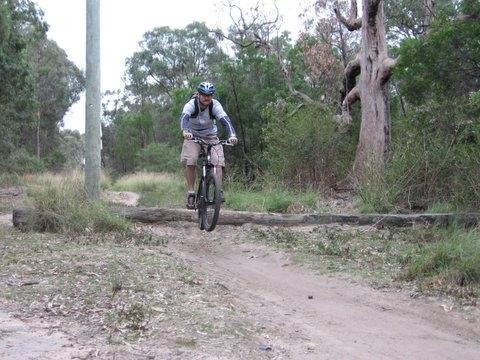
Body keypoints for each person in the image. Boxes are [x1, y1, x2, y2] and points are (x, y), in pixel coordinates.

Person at [179, 81, 237, 209]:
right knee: (191, 160)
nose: (207, 97)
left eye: (209, 95)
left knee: (218, 162)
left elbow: (225, 120)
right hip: (192, 135)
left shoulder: (215, 105)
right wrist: (185, 131)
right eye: (204, 95)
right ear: (199, 94)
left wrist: (232, 135)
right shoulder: (191, 104)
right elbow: (184, 118)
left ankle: (218, 190)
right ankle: (191, 193)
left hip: (210, 136)